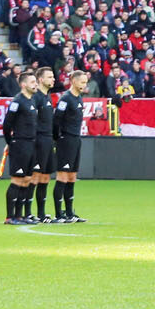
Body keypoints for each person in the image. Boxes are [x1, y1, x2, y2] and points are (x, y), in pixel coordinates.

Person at [52, 70, 89, 223]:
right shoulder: (65, 99)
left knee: (72, 176)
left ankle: (69, 213)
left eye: (86, 82)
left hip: (76, 140)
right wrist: (58, 139)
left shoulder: (79, 99)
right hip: (66, 140)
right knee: (63, 176)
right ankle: (58, 214)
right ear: (73, 81)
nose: (84, 85)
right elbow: (56, 121)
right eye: (82, 82)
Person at [3, 71, 38, 225]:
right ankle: (10, 217)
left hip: (31, 144)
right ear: (23, 85)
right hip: (20, 144)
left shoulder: (31, 101)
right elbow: (7, 124)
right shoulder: (17, 101)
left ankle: (20, 215)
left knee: (27, 180)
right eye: (32, 82)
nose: (35, 84)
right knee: (17, 180)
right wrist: (11, 142)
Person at [31, 67, 56, 222]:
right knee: (34, 177)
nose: (53, 79)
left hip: (48, 140)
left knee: (45, 178)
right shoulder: (36, 97)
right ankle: (27, 212)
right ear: (40, 79)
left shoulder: (48, 97)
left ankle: (41, 213)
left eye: (53, 76)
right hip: (38, 141)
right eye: (49, 77)